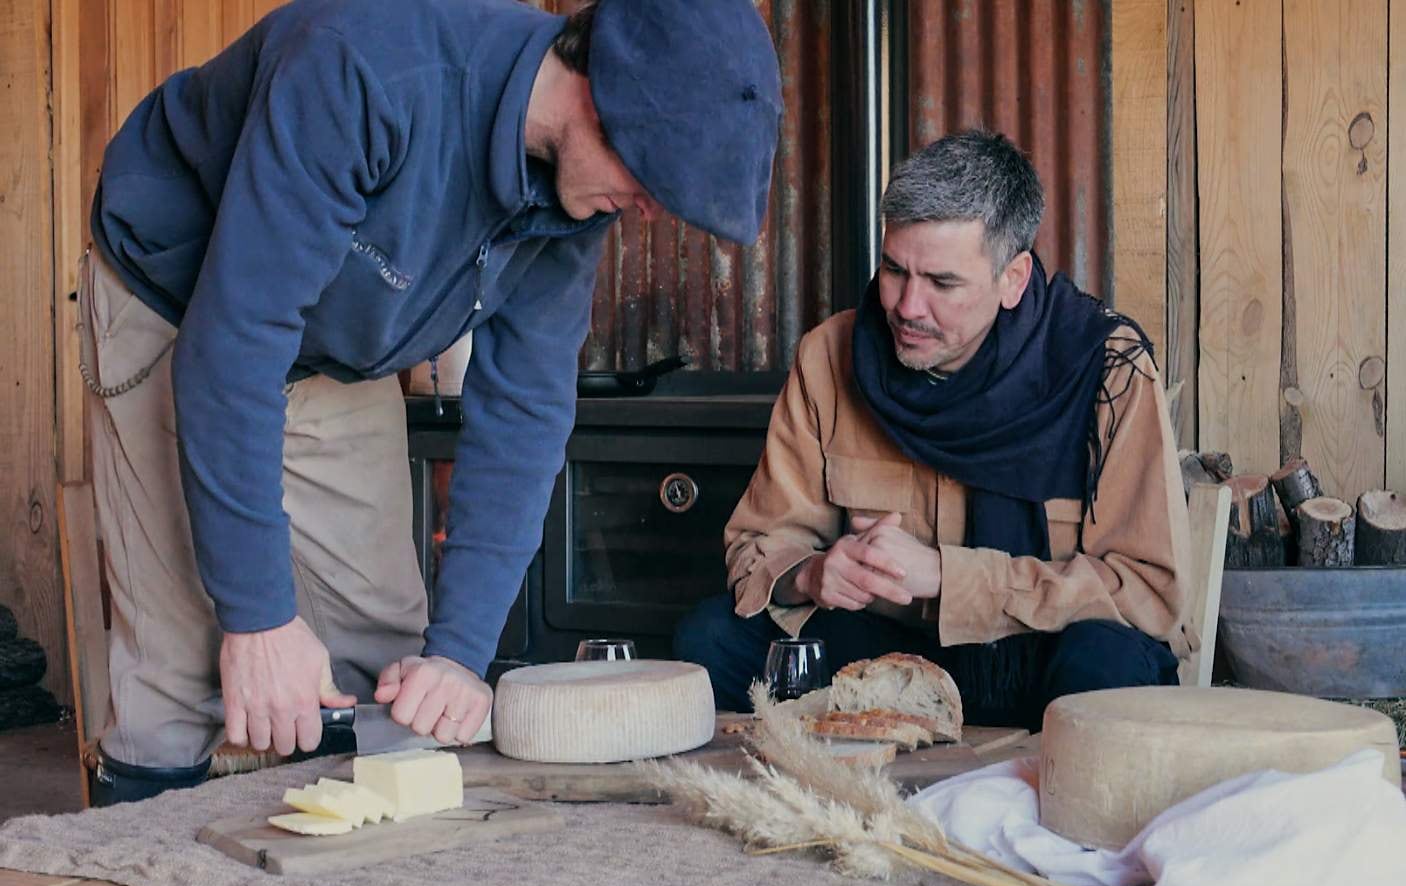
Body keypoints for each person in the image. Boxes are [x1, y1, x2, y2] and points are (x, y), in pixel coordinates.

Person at [80, 0, 781, 804]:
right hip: (177, 296)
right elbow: (234, 342)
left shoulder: (576, 199)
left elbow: (524, 415)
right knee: (185, 665)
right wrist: (257, 619)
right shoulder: (364, 68)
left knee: (392, 665)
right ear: (600, 93)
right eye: (653, 180)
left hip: (335, 341)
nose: (651, 211)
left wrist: (459, 652)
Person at [674, 130, 1191, 730]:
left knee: (1108, 666)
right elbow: (757, 546)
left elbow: (1146, 593)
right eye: (895, 270)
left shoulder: (1106, 370)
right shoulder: (831, 355)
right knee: (708, 639)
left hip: (1041, 654)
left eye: (942, 283)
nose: (907, 306)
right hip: (889, 660)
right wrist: (810, 573)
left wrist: (948, 577)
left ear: (1013, 279)